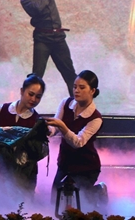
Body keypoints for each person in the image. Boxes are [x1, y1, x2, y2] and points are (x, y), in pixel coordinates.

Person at [46, 70, 107, 208]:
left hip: (86, 166)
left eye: (82, 87)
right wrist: (48, 130)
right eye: (75, 87)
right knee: (55, 199)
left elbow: (78, 142)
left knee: (79, 201)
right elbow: (55, 127)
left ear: (92, 91)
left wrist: (62, 126)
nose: (76, 90)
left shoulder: (96, 118)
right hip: (65, 163)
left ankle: (97, 190)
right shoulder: (65, 103)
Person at [0, 74, 47, 193]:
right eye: (31, 94)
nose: (33, 99)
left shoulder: (36, 121)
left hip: (24, 176)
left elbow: (39, 152)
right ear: (22, 91)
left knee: (20, 209)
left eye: (38, 97)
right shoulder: (2, 110)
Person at [20, 0, 77, 96]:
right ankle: (26, 107)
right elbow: (37, 9)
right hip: (42, 38)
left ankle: (76, 107)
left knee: (70, 73)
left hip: (58, 37)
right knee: (36, 76)